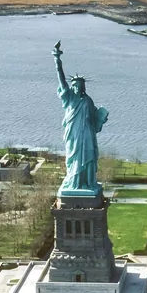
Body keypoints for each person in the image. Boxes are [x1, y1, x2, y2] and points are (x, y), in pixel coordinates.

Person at [53, 42, 109, 192]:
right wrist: (57, 59)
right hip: (74, 134)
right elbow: (62, 80)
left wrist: (101, 116)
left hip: (87, 134)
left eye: (80, 85)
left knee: (89, 158)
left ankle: (89, 183)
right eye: (75, 85)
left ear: (83, 87)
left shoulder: (87, 100)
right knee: (75, 158)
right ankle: (75, 182)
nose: (77, 87)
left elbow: (94, 119)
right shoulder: (69, 98)